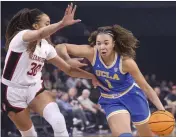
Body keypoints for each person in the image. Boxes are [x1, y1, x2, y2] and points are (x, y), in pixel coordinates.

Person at [1, 3, 104, 137]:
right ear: (35, 26)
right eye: (47, 23)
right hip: (12, 92)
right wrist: (62, 23)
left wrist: (92, 77)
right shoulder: (21, 37)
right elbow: (41, 33)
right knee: (30, 134)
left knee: (58, 121)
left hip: (35, 89)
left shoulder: (46, 47)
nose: (50, 27)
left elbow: (69, 70)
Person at [55, 24, 165, 137]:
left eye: (106, 43)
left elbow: (146, 87)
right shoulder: (92, 52)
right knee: (124, 135)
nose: (102, 47)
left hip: (132, 95)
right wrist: (68, 59)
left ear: (113, 44)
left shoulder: (126, 62)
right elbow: (60, 47)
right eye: (99, 43)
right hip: (111, 100)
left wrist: (162, 110)